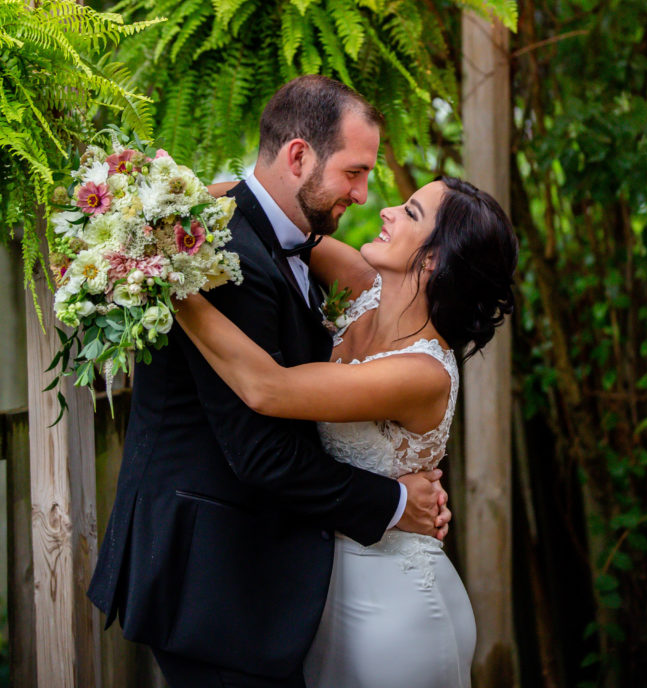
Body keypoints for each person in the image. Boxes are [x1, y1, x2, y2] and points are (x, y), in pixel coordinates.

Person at [88, 76, 450, 688]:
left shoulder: (279, 236)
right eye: (354, 173)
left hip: (246, 580)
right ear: (298, 156)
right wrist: (392, 502)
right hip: (213, 577)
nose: (364, 195)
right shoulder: (222, 253)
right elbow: (260, 448)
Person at [176, 174, 519, 688]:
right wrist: (161, 200)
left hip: (397, 608)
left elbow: (267, 389)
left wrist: (165, 283)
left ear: (433, 260)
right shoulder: (364, 285)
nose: (386, 211)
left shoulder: (421, 372)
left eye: (410, 213)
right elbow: (268, 211)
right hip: (322, 589)